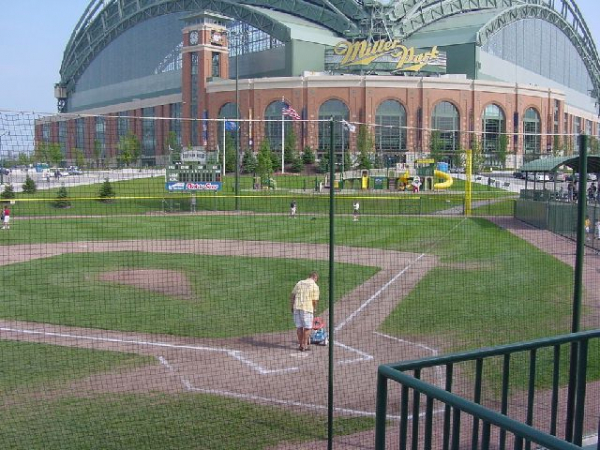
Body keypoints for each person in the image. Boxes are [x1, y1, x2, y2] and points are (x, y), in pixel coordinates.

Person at [290, 271, 320, 352]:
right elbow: (314, 301)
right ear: (315, 278)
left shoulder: (300, 283)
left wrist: (292, 306)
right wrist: (314, 309)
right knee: (308, 327)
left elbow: (292, 295)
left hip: (296, 307)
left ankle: (300, 345)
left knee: (299, 327)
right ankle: (305, 345)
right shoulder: (315, 286)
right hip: (307, 308)